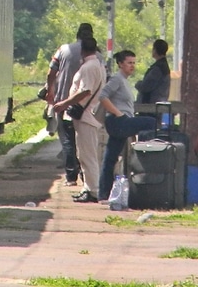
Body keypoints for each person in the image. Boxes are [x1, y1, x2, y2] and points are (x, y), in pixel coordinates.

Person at [97, 49, 158, 202]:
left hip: (121, 122)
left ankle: (104, 194)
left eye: (134, 63)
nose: (132, 66)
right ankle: (148, 154)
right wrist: (118, 113)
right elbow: (102, 96)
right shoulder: (117, 79)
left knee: (110, 158)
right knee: (151, 122)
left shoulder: (124, 80)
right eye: (129, 63)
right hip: (118, 121)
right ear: (120, 64)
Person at [54, 35, 106, 203]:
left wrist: (64, 103)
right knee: (85, 154)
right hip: (86, 116)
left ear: (82, 50)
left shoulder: (89, 67)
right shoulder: (96, 65)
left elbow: (85, 91)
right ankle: (88, 189)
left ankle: (94, 190)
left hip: (86, 116)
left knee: (88, 155)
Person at [45, 23, 96, 186]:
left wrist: (50, 91)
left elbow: (51, 72)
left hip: (63, 101)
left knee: (67, 140)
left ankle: (71, 176)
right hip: (87, 106)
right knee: (84, 142)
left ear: (77, 35)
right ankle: (84, 174)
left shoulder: (63, 50)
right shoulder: (97, 56)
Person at [136, 38, 171, 105]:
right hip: (159, 103)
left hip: (151, 106)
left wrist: (138, 84)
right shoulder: (164, 66)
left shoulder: (157, 68)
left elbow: (146, 87)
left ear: (155, 50)